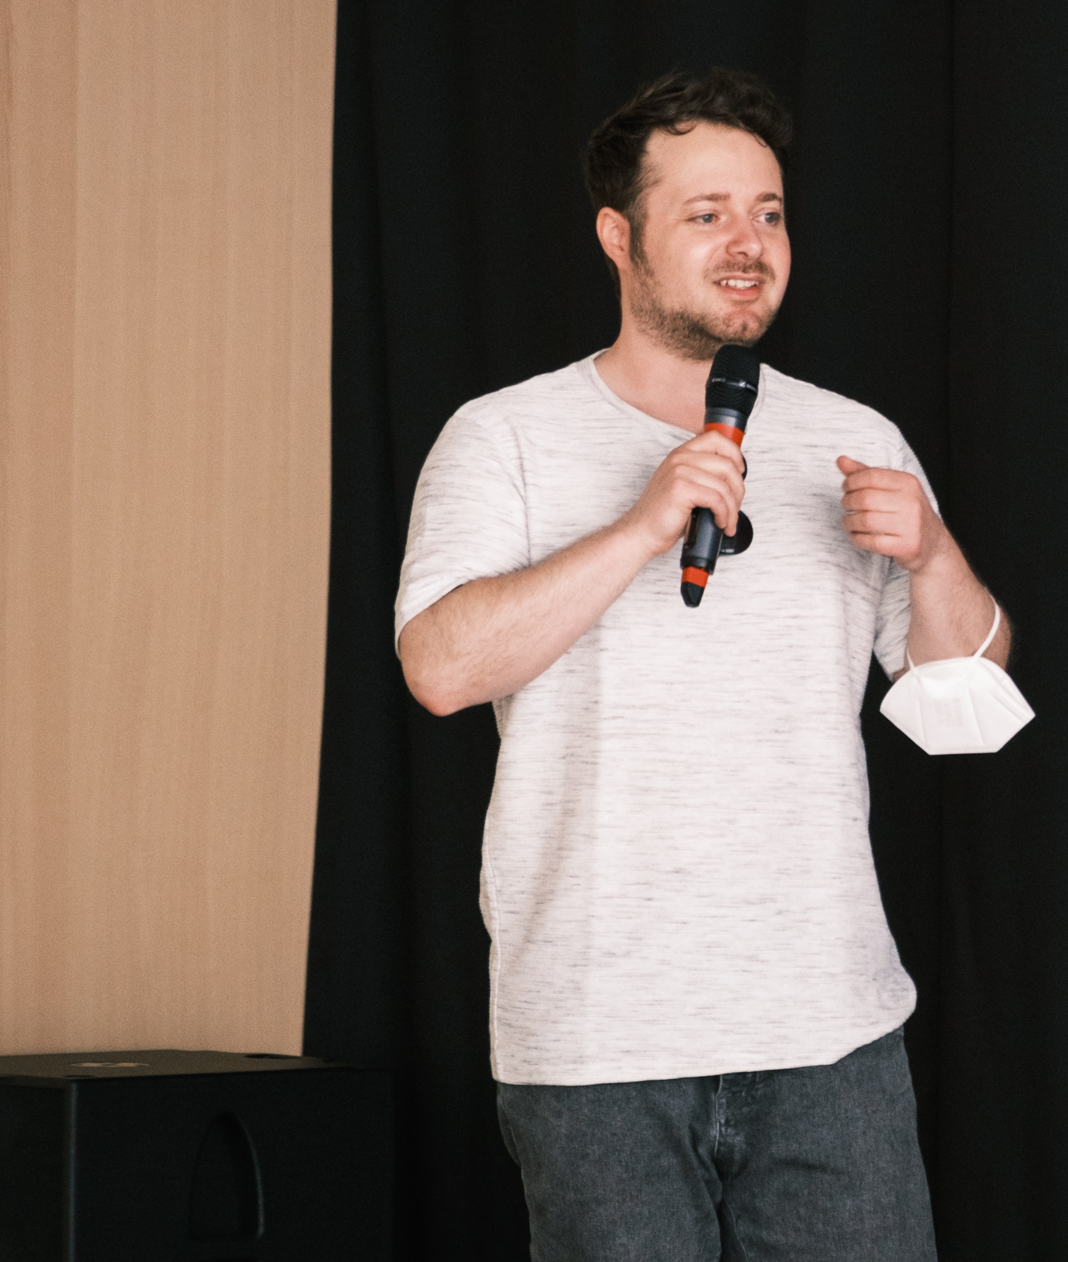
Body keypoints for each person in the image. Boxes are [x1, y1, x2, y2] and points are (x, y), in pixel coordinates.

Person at [393, 68, 1007, 1261]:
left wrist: (935, 557)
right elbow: (441, 668)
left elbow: (963, 713)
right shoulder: (503, 436)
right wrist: (638, 526)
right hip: (596, 1040)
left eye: (768, 212)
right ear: (616, 236)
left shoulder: (855, 439)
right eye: (707, 213)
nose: (748, 244)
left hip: (828, 1033)